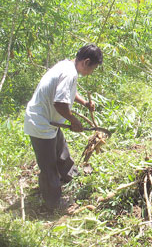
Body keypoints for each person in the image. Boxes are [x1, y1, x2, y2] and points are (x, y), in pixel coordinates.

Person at [24, 44, 103, 210]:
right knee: (48, 166)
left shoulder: (67, 66)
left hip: (51, 122)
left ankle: (70, 175)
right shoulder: (69, 73)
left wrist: (84, 102)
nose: (91, 72)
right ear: (86, 62)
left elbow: (67, 92)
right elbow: (60, 103)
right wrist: (74, 121)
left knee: (61, 150)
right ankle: (54, 203)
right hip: (40, 123)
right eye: (93, 68)